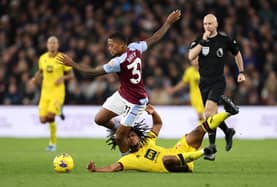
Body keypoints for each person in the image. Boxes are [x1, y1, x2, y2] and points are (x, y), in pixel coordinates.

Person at [56, 10, 181, 155]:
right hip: (123, 95)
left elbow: (93, 72)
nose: (109, 48)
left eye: (112, 45)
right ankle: (123, 127)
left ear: (122, 46)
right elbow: (155, 38)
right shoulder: (135, 47)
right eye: (108, 45)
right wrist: (168, 23)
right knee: (99, 119)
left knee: (120, 136)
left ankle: (125, 160)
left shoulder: (118, 62)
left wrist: (73, 64)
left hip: (136, 101)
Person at [87, 95, 239, 173]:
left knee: (197, 131)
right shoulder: (129, 159)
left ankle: (229, 112)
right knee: (167, 159)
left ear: (138, 136)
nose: (131, 137)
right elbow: (113, 167)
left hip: (178, 151)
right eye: (128, 137)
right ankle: (204, 152)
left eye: (133, 135)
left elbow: (158, 124)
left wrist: (153, 113)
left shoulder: (147, 141)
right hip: (176, 164)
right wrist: (96, 169)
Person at [188, 13, 246, 160]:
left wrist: (241, 72)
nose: (207, 26)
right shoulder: (200, 40)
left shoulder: (224, 40)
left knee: (207, 114)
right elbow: (191, 56)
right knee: (210, 116)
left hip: (218, 81)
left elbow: (237, 54)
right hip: (203, 83)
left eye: (210, 24)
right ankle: (227, 132)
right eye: (205, 24)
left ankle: (212, 148)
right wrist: (203, 41)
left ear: (216, 24)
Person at [29, 36, 74, 151]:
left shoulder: (62, 58)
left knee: (50, 116)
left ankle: (52, 144)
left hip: (57, 93)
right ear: (47, 45)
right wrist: (34, 79)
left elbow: (71, 75)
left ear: (58, 45)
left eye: (54, 43)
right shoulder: (42, 58)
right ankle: (58, 111)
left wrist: (62, 78)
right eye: (50, 43)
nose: (52, 45)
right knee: (43, 120)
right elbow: (40, 71)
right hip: (45, 93)